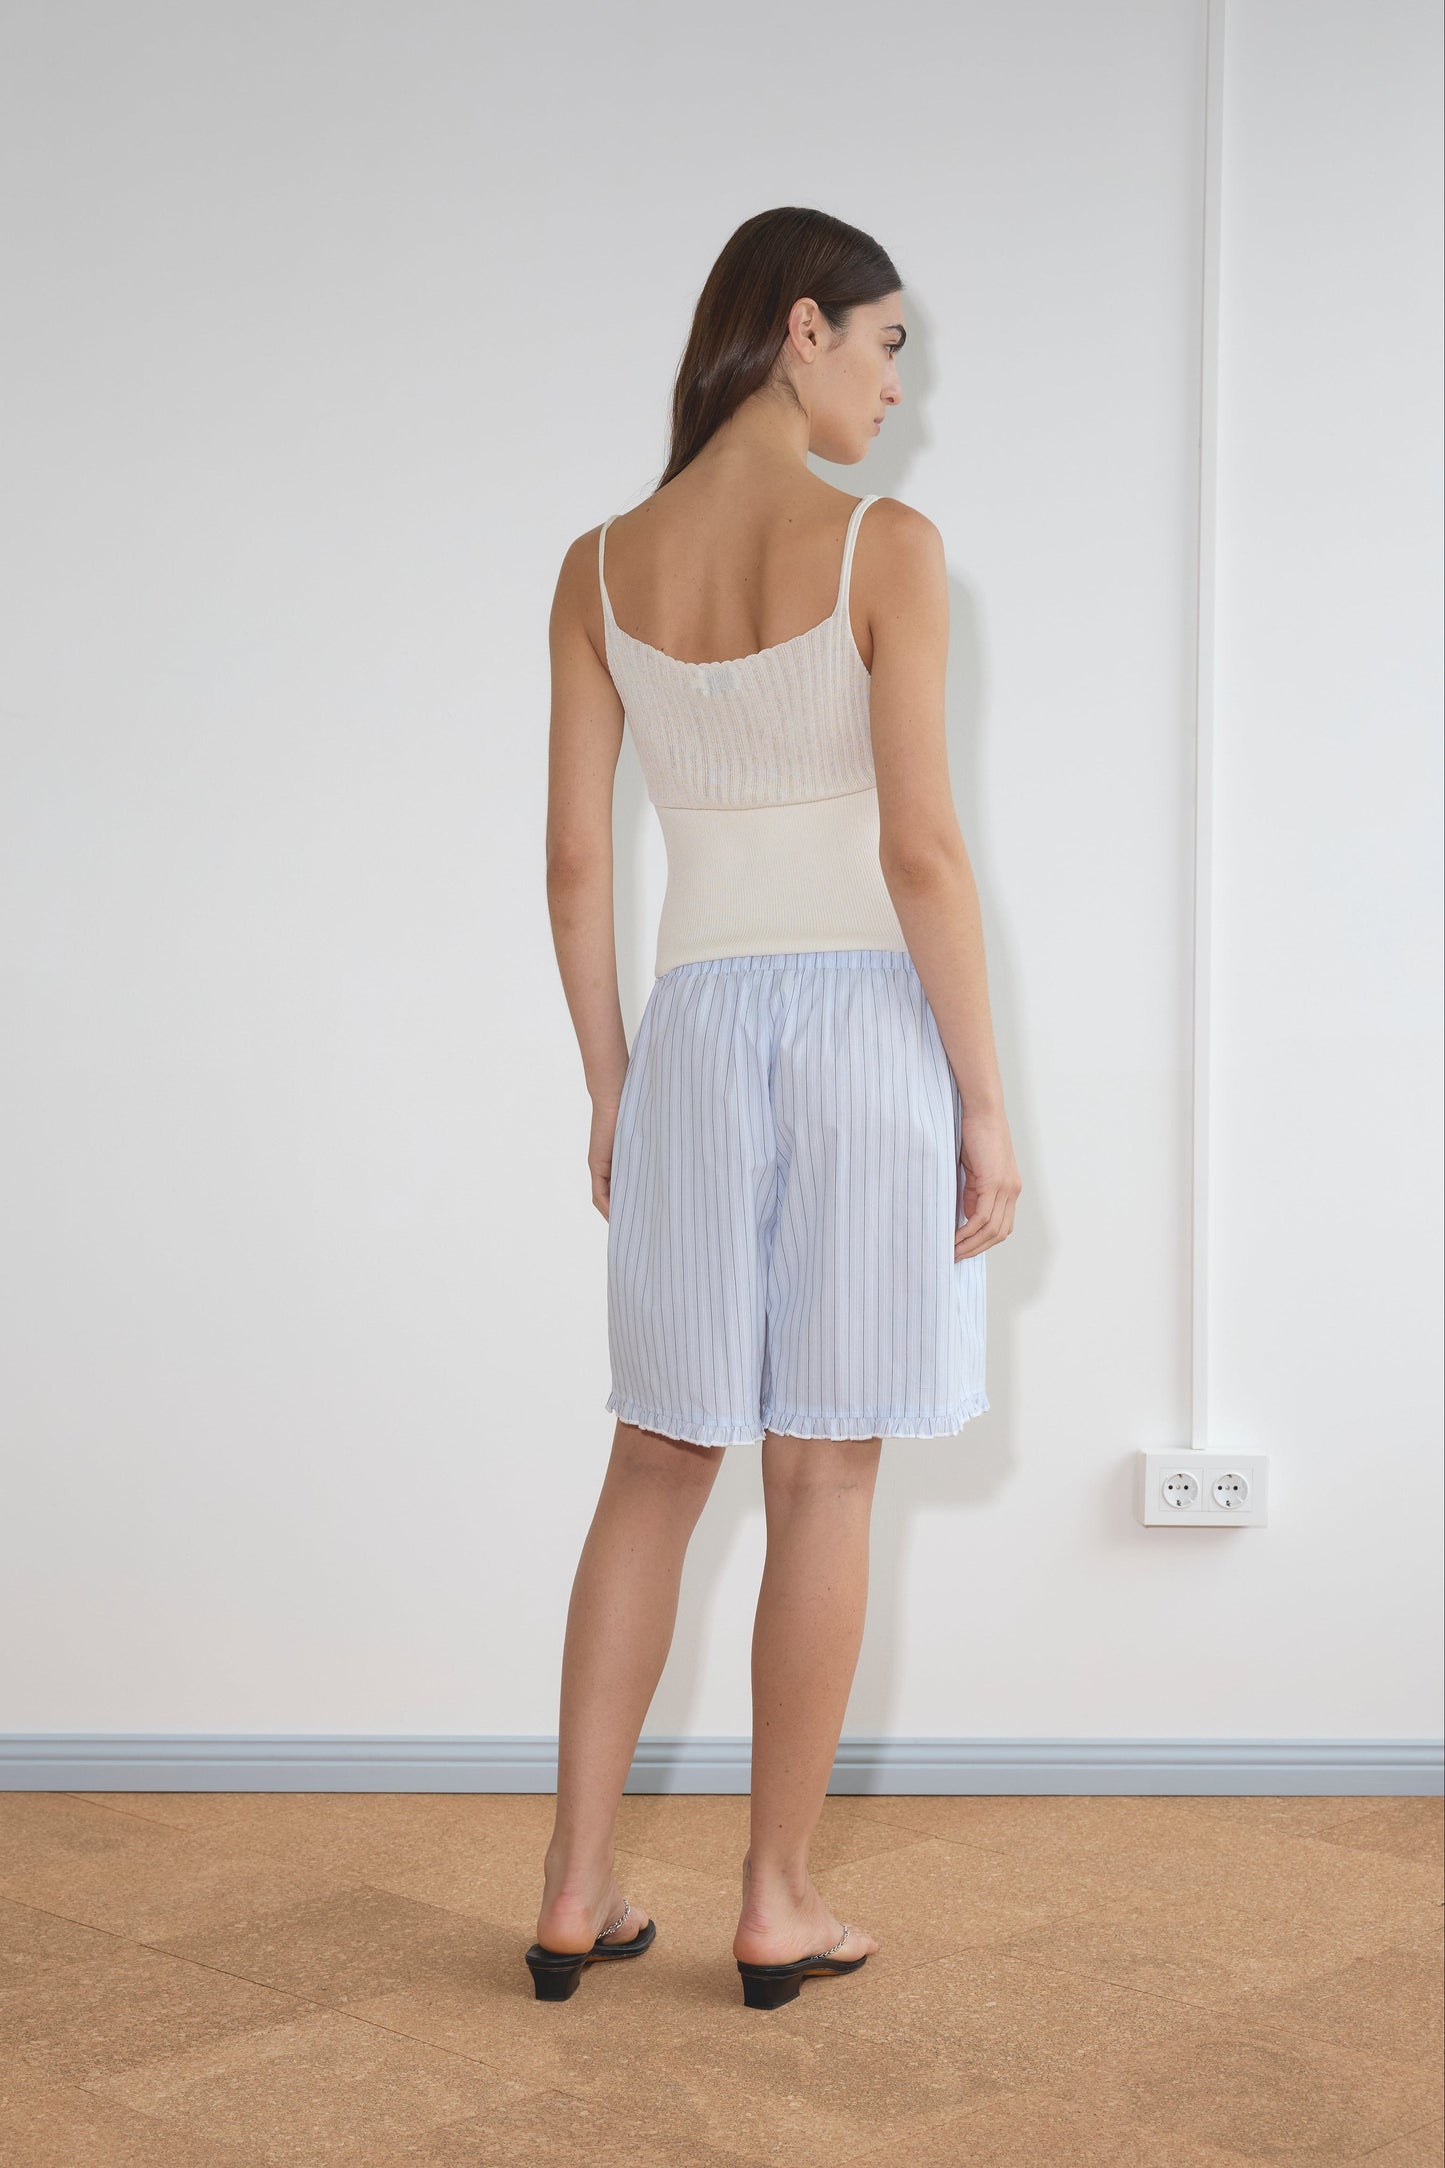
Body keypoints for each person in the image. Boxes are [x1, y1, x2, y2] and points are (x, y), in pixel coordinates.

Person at [531, 205, 1021, 2009]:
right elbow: (918, 849)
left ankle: (574, 1891)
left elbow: (579, 867)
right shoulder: (882, 547)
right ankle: (775, 1899)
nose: (900, 385)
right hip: (862, 1032)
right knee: (822, 1475)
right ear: (803, 328)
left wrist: (611, 1084)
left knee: (653, 1468)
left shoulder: (595, 568)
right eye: (889, 344)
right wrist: (981, 1097)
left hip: (692, 1032)